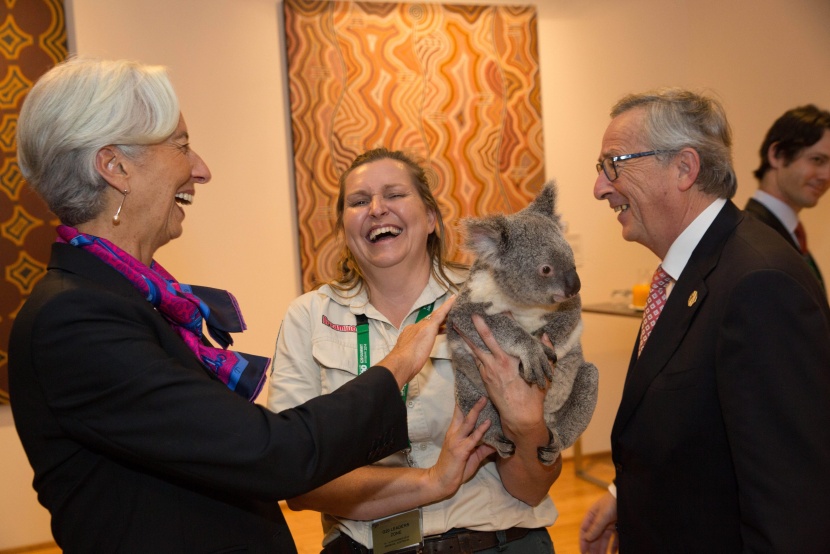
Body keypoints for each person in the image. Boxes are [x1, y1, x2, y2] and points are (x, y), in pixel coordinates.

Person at [8, 58, 452, 553]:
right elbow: (270, 452)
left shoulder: (129, 300)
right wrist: (396, 366)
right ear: (115, 167)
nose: (201, 169)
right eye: (180, 145)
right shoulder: (74, 320)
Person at [268, 148, 561, 553]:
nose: (376, 209)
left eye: (394, 195)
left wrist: (528, 428)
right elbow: (297, 481)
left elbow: (531, 488)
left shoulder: (497, 303)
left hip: (498, 541)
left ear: (431, 219)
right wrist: (433, 481)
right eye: (358, 201)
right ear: (343, 229)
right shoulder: (308, 317)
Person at [579, 89, 830, 553]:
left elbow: (789, 501)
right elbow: (697, 430)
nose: (600, 187)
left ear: (684, 168)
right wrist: (626, 496)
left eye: (614, 163)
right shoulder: (691, 271)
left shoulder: (759, 283)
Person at [745, 104, 830, 289]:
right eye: (817, 160)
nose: (827, 175)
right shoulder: (752, 237)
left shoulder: (789, 234)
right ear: (777, 155)